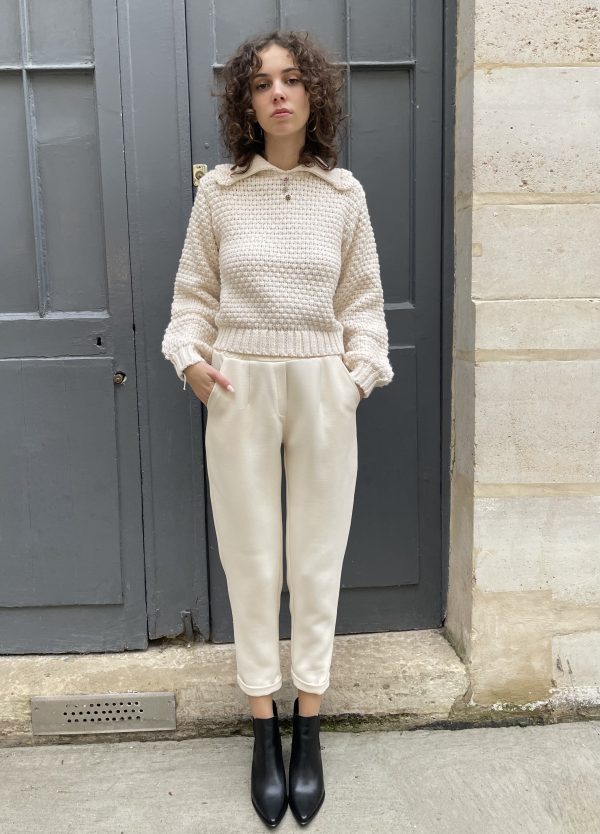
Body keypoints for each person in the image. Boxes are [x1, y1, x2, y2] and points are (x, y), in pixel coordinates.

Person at [162, 28, 394, 828]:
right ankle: (263, 726)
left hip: (322, 386)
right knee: (252, 557)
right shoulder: (220, 195)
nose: (279, 93)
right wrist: (191, 362)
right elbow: (192, 298)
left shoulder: (344, 196)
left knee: (318, 558)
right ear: (246, 102)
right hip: (238, 386)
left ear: (314, 93)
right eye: (262, 83)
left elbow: (364, 307)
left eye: (292, 79)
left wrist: (352, 380)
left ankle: (310, 723)